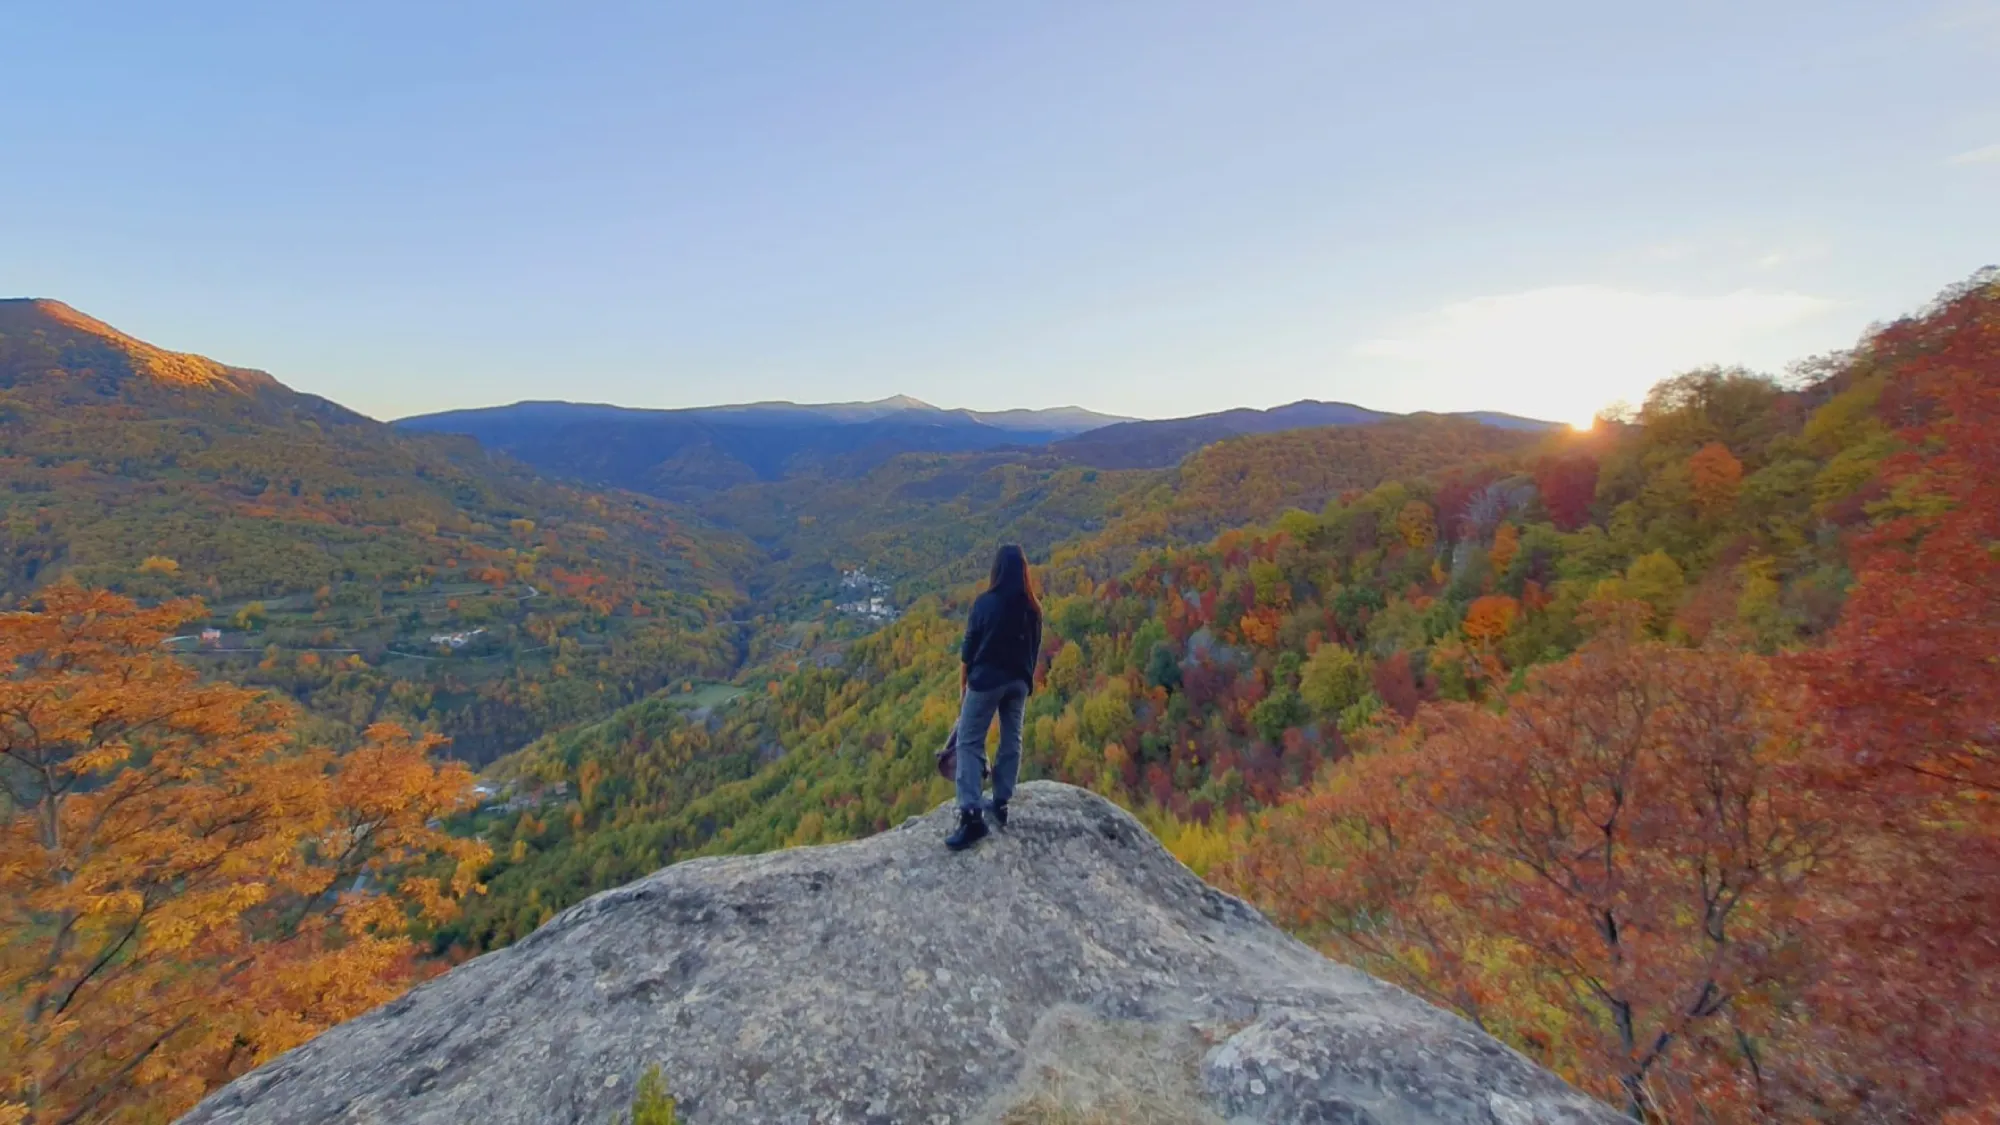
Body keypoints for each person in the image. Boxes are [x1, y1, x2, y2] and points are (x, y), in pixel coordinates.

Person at [945, 544, 1043, 850]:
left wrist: (964, 688)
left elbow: (968, 651)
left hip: (987, 680)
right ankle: (1001, 802)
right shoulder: (1033, 608)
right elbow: (1033, 651)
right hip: (1018, 682)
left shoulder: (986, 603)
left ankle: (972, 815)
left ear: (996, 571)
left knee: (970, 740)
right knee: (1011, 738)